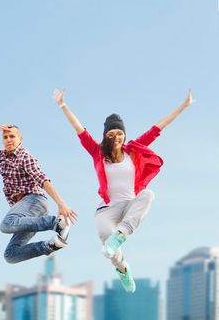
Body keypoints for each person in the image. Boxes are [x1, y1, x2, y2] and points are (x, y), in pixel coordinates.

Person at [53, 88, 193, 293]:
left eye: (120, 133)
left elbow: (158, 127)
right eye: (112, 134)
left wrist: (184, 105)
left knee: (148, 195)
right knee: (106, 243)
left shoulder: (133, 149)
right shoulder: (96, 152)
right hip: (107, 209)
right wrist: (63, 105)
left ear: (124, 135)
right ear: (106, 136)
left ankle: (122, 233)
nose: (117, 137)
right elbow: (79, 130)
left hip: (130, 205)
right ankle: (123, 268)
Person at [0, 124, 77, 264]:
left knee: (7, 224)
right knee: (10, 255)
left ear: (20, 139)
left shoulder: (25, 157)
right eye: (5, 137)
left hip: (34, 200)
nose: (8, 140)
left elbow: (43, 180)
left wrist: (61, 203)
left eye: (12, 136)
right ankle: (50, 245)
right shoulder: (2, 155)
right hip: (27, 213)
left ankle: (55, 223)